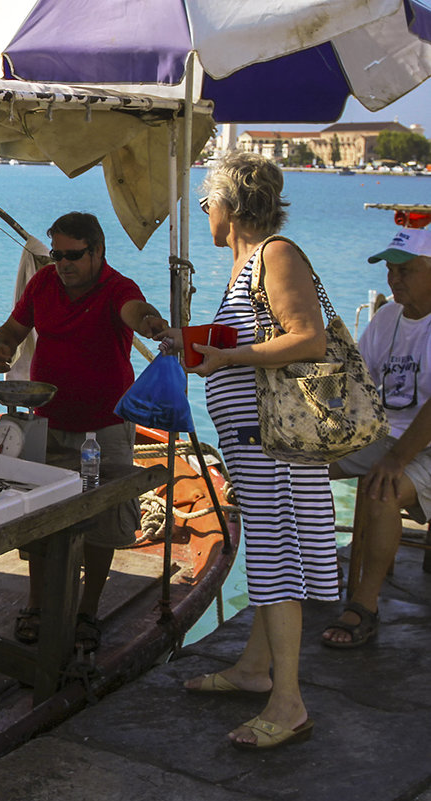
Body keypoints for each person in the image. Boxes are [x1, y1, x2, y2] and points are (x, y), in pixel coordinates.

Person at [162, 152, 338, 749]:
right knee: (268, 546)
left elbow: (307, 338)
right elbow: (258, 341)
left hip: (278, 444)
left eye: (206, 201)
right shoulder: (245, 267)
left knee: (276, 555)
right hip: (254, 442)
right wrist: (188, 344)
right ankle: (254, 669)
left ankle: (288, 703)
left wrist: (228, 358)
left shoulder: (277, 254)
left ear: (228, 206)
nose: (205, 212)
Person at [0, 211, 168, 656]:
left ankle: (87, 611)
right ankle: (36, 606)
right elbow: (13, 327)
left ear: (98, 253)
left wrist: (150, 323)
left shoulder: (117, 288)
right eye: (56, 255)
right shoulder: (43, 284)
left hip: (105, 425)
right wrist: (1, 344)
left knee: (105, 521)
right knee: (39, 515)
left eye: (72, 255)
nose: (62, 264)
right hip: (46, 421)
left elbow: (135, 311)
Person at [322, 227, 431, 647]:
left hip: (421, 446)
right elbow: (353, 377)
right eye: (390, 269)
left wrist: (395, 460)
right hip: (386, 438)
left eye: (406, 270)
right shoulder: (387, 317)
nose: (394, 279)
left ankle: (364, 606)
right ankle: (319, 566)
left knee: (381, 490)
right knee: (297, 464)